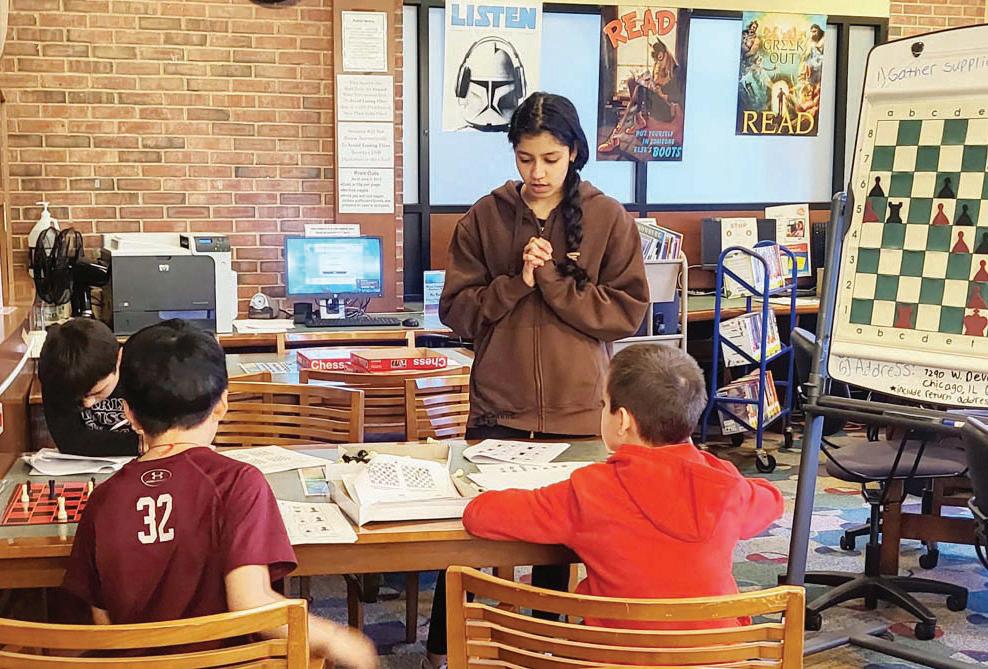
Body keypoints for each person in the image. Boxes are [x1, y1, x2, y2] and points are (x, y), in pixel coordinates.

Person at [432, 92, 648, 667]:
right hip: (498, 410)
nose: (537, 172)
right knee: (466, 535)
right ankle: (442, 650)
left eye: (550, 159)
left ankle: (546, 649)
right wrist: (516, 283)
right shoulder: (485, 216)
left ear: (573, 152)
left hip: (578, 409)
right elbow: (456, 311)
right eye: (525, 158)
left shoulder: (607, 217)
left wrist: (552, 279)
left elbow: (626, 313)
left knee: (561, 544)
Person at [61, 320, 377, 668]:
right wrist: (335, 638)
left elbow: (103, 622)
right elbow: (251, 603)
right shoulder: (239, 482)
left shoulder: (103, 499)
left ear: (129, 414)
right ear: (223, 404)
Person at [463, 344, 785, 629]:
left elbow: (480, 515)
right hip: (716, 658)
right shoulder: (727, 486)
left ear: (624, 421)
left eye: (604, 404)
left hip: (613, 656)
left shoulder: (591, 490)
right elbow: (772, 499)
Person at [38, 318, 139, 457]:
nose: (88, 403)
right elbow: (70, 442)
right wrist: (140, 443)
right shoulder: (58, 377)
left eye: (98, 392)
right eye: (78, 397)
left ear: (119, 359)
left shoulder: (144, 371)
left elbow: (161, 438)